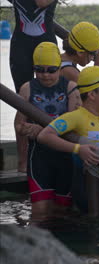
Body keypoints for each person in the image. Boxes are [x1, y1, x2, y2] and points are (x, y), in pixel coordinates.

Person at [37, 66, 99, 216]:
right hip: (86, 183)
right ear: (92, 94)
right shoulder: (76, 116)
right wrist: (78, 149)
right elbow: (45, 135)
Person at [14, 42, 79, 221]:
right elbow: (19, 125)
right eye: (39, 69)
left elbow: (74, 126)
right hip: (39, 158)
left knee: (61, 213)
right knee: (39, 212)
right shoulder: (27, 89)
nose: (45, 75)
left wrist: (41, 129)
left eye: (51, 70)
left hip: (65, 157)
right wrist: (22, 156)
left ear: (59, 68)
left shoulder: (70, 88)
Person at [9, 0, 58, 173]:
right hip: (20, 46)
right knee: (21, 101)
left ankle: (46, 154)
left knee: (48, 99)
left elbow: (41, 2)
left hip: (46, 44)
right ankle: (22, 162)